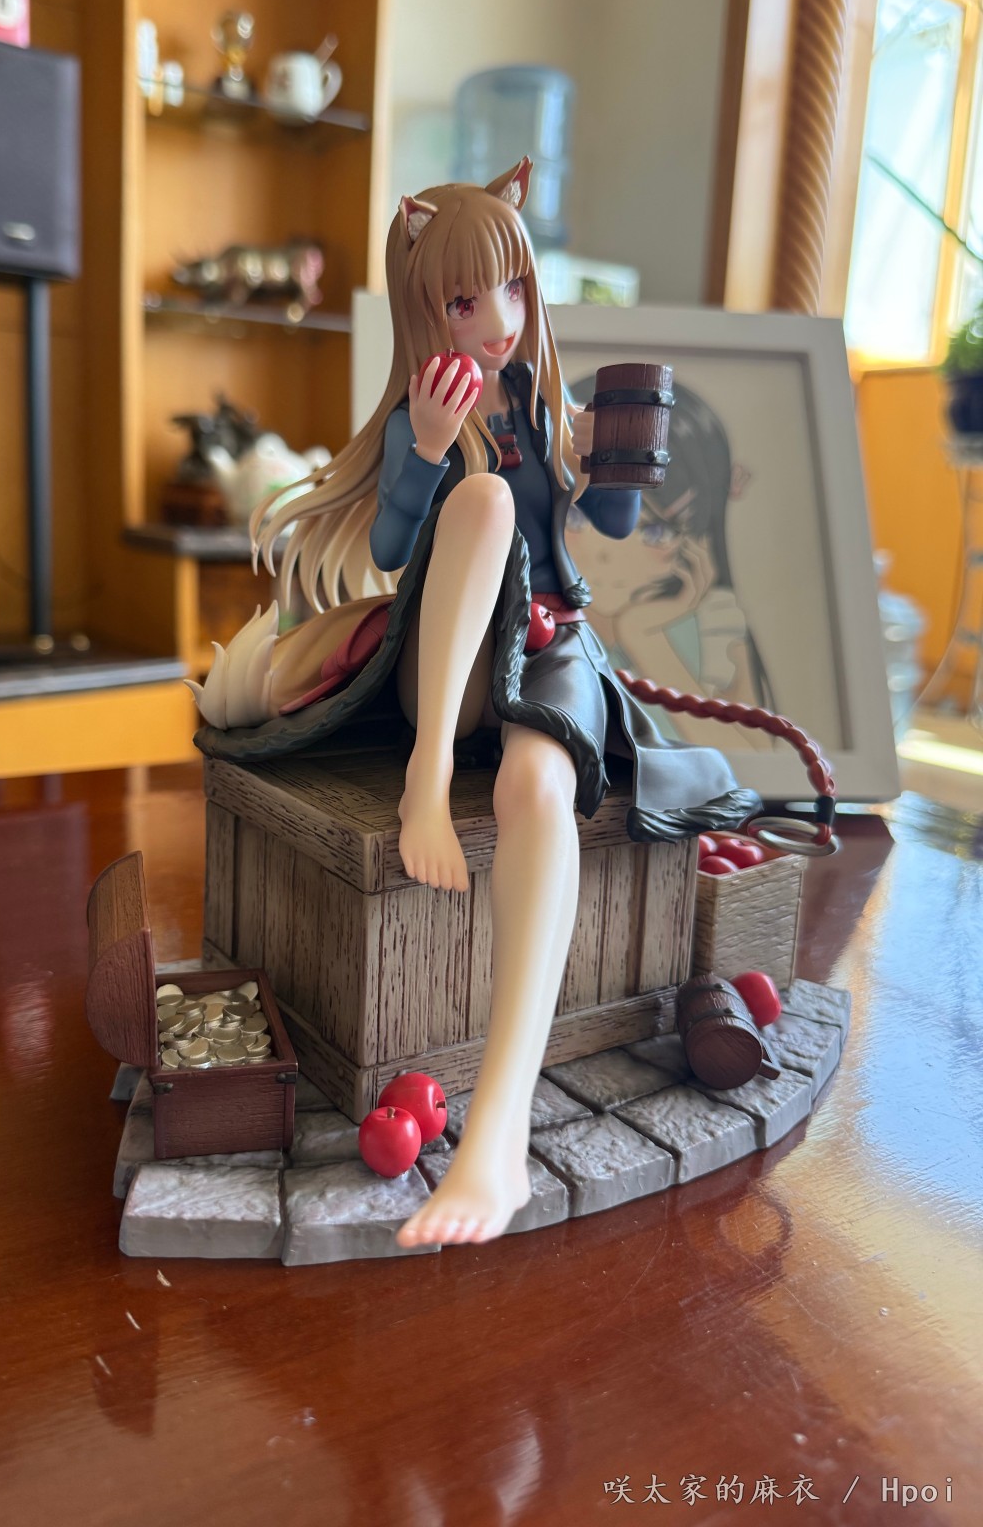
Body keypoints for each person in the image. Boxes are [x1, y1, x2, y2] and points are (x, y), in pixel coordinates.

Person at [188, 159, 761, 1247]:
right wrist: (426, 451)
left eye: (514, 290)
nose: (499, 320)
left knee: (543, 790)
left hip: (546, 652)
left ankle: (497, 1134)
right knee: (486, 500)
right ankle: (425, 787)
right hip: (444, 671)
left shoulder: (545, 405)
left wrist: (606, 458)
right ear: (425, 308)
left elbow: (613, 531)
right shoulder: (427, 410)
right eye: (465, 300)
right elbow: (393, 545)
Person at [566, 379, 778, 754]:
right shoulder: (536, 615)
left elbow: (759, 764)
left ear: (697, 540)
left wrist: (647, 641)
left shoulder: (714, 625)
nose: (607, 553)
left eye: (655, 532)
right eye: (577, 517)